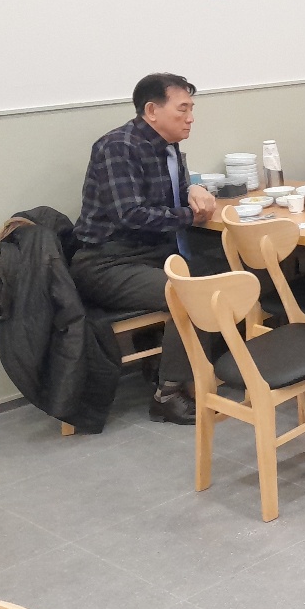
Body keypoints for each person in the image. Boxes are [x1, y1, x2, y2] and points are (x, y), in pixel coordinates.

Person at [70, 73, 221, 425]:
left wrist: (193, 189)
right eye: (182, 109)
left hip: (150, 256)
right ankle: (168, 395)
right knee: (191, 294)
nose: (190, 118)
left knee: (220, 274)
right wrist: (190, 216)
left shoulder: (168, 146)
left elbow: (172, 191)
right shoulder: (117, 147)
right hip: (106, 262)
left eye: (191, 109)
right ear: (152, 110)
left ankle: (190, 369)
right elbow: (131, 214)